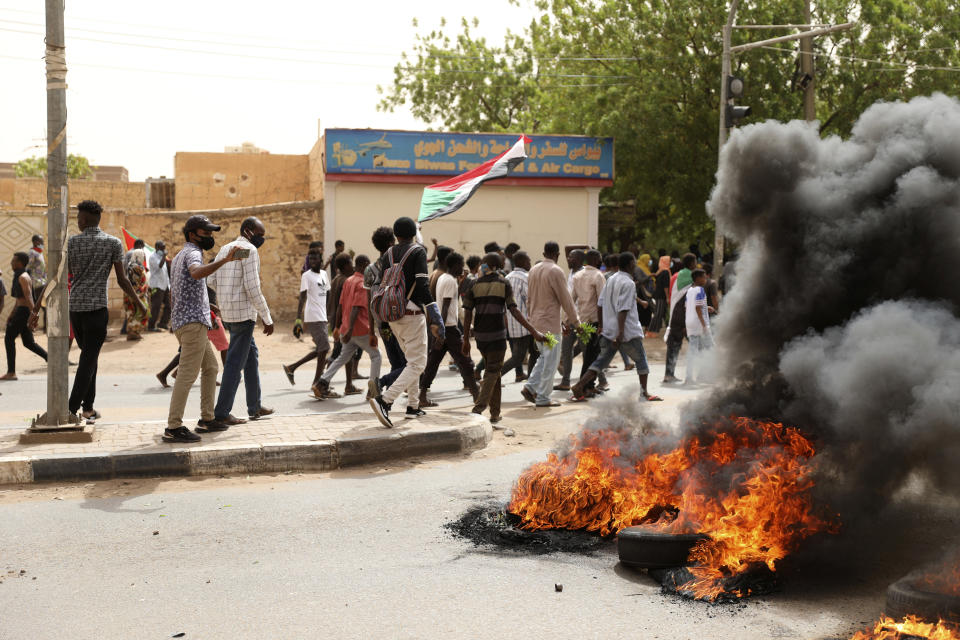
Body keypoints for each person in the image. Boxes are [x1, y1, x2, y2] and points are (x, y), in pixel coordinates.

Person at [31, 200, 145, 420]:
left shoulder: (73, 243)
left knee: (89, 357)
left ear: (84, 220)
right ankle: (71, 409)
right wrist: (139, 302)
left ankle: (88, 407)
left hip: (76, 309)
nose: (77, 221)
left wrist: (36, 309)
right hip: (97, 310)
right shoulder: (113, 243)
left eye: (78, 218)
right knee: (89, 358)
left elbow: (57, 277)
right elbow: (122, 280)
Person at [163, 215, 241, 442]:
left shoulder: (179, 255)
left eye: (210, 233)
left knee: (211, 368)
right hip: (192, 324)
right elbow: (197, 272)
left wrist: (208, 304)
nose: (209, 237)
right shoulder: (194, 254)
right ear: (192, 235)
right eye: (205, 233)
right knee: (187, 375)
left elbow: (180, 288)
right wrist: (225, 260)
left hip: (188, 321)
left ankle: (207, 419)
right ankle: (173, 427)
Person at [368, 216, 445, 428]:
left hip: (392, 314)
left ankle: (412, 406)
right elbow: (422, 285)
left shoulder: (388, 253)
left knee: (411, 361)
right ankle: (384, 400)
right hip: (412, 313)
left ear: (396, 235)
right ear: (413, 233)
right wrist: (435, 316)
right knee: (418, 364)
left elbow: (381, 284)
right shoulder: (417, 251)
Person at [207, 217, 275, 425]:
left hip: (229, 313)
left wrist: (227, 296)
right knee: (234, 364)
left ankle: (254, 406)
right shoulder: (249, 251)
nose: (261, 240)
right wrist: (267, 317)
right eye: (260, 235)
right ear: (248, 231)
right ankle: (222, 413)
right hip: (244, 315)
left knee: (251, 356)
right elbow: (252, 287)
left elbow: (211, 280)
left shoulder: (226, 249)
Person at [571, 252, 663, 403]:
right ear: (629, 265)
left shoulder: (611, 279)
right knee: (642, 361)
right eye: (634, 263)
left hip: (608, 329)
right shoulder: (629, 283)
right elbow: (623, 309)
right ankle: (644, 393)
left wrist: (602, 325)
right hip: (626, 331)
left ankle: (580, 385)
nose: (635, 266)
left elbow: (600, 304)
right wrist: (620, 333)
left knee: (601, 361)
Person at [463, 252, 544, 422]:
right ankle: (478, 409)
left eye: (483, 263)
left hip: (480, 337)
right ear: (498, 266)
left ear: (488, 266)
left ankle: (495, 413)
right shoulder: (503, 283)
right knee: (493, 371)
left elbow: (468, 313)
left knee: (495, 372)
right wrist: (533, 331)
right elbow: (513, 310)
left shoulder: (474, 284)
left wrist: (465, 340)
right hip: (497, 336)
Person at [313, 254, 382, 397]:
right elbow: (356, 307)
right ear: (364, 265)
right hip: (359, 329)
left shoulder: (349, 281)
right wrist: (351, 329)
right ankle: (373, 390)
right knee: (376, 356)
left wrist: (338, 327)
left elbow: (340, 306)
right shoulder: (362, 282)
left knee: (343, 357)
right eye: (368, 265)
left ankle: (322, 382)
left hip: (346, 329)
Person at [521, 241, 579, 408]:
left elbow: (529, 299)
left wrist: (532, 321)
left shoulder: (533, 270)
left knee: (545, 357)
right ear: (558, 254)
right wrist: (575, 322)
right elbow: (566, 300)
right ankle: (543, 398)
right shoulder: (555, 271)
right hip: (549, 325)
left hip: (537, 323)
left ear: (544, 252)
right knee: (551, 361)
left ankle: (530, 387)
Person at [419, 252, 479, 407]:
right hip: (449, 328)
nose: (463, 268)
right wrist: (442, 332)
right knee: (466, 361)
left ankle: (422, 396)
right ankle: (476, 394)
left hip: (443, 327)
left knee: (433, 363)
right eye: (461, 264)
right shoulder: (450, 281)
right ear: (454, 265)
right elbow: (445, 307)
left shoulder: (444, 279)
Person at [364, 226, 406, 399]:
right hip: (399, 320)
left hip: (382, 324)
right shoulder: (397, 266)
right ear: (390, 243)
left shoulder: (369, 270)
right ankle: (380, 383)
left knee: (396, 362)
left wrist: (371, 329)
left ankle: (385, 399)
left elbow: (369, 302)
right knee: (410, 364)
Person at [282, 244, 330, 390]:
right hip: (313, 316)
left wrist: (328, 314)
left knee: (321, 349)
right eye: (311, 258)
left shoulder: (323, 274)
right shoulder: (306, 276)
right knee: (324, 348)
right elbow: (302, 298)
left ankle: (292, 367)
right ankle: (317, 383)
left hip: (322, 316)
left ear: (320, 259)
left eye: (315, 258)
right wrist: (298, 319)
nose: (313, 260)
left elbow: (327, 293)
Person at [2, 252, 47, 380]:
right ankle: (50, 358)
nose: (11, 263)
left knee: (9, 338)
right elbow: (19, 299)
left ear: (20, 263)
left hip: (24, 312)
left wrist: (34, 315)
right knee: (28, 342)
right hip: (21, 311)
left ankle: (11, 372)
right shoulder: (19, 276)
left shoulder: (23, 277)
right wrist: (11, 314)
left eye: (14, 261)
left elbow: (29, 298)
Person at [569, 249, 606, 395]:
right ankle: (583, 386)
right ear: (596, 259)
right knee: (592, 354)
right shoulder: (598, 276)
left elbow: (571, 300)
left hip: (582, 320)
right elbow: (602, 302)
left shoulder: (577, 276)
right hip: (595, 321)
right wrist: (603, 324)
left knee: (590, 353)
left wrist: (568, 320)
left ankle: (589, 385)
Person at [501, 250, 538, 382]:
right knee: (518, 357)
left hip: (512, 323)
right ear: (522, 262)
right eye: (528, 261)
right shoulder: (526, 278)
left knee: (534, 353)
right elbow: (531, 301)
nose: (530, 263)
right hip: (526, 323)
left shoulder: (507, 277)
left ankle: (531, 381)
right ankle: (493, 377)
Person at [326, 254, 360, 396]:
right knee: (337, 353)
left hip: (335, 320)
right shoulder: (345, 281)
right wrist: (339, 326)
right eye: (351, 263)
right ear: (345, 266)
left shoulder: (336, 279)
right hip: (341, 322)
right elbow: (343, 305)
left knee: (348, 353)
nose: (352, 266)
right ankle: (323, 384)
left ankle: (348, 385)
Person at [663, 252, 698, 384]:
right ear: (691, 263)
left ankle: (668, 374)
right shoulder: (693, 277)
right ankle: (689, 376)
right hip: (684, 317)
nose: (696, 265)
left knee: (673, 347)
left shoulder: (677, 275)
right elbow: (688, 301)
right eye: (695, 262)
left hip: (674, 316)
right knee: (695, 346)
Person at [555, 248, 585, 391]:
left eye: (571, 257)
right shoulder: (571, 274)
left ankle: (599, 380)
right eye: (568, 257)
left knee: (587, 350)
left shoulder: (584, 274)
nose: (568, 259)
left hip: (583, 319)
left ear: (579, 259)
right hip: (569, 319)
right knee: (566, 350)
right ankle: (566, 381)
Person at [684, 268, 714, 384]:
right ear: (698, 278)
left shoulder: (690, 290)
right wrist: (704, 325)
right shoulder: (701, 290)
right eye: (704, 277)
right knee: (711, 348)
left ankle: (689, 377)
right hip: (699, 323)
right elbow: (697, 308)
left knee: (693, 350)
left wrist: (706, 307)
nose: (706, 279)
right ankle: (706, 375)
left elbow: (689, 306)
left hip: (690, 323)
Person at [124, 247, 150, 341]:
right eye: (143, 256)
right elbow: (138, 282)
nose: (144, 257)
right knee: (142, 312)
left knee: (132, 313)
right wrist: (144, 290)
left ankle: (133, 333)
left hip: (129, 294)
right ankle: (134, 332)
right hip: (137, 294)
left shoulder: (130, 265)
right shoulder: (137, 267)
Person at [148, 240, 171, 331]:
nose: (164, 250)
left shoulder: (162, 257)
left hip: (165, 285)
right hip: (157, 285)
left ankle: (163, 323)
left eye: (164, 248)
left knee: (169, 306)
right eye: (162, 248)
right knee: (156, 306)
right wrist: (164, 256)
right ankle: (151, 325)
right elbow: (159, 266)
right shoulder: (153, 257)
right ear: (157, 248)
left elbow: (165, 271)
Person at [647, 255, 671, 333]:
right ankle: (652, 330)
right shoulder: (666, 272)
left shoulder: (660, 271)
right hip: (661, 295)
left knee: (658, 312)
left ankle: (654, 329)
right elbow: (665, 285)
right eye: (669, 261)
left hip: (658, 294)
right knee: (658, 313)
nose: (670, 263)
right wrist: (667, 297)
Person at [27, 234, 46, 329]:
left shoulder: (40, 253)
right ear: (35, 242)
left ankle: (44, 327)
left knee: (43, 306)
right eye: (40, 241)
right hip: (36, 284)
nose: (42, 243)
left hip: (42, 282)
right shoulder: (32, 253)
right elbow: (28, 268)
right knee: (40, 306)